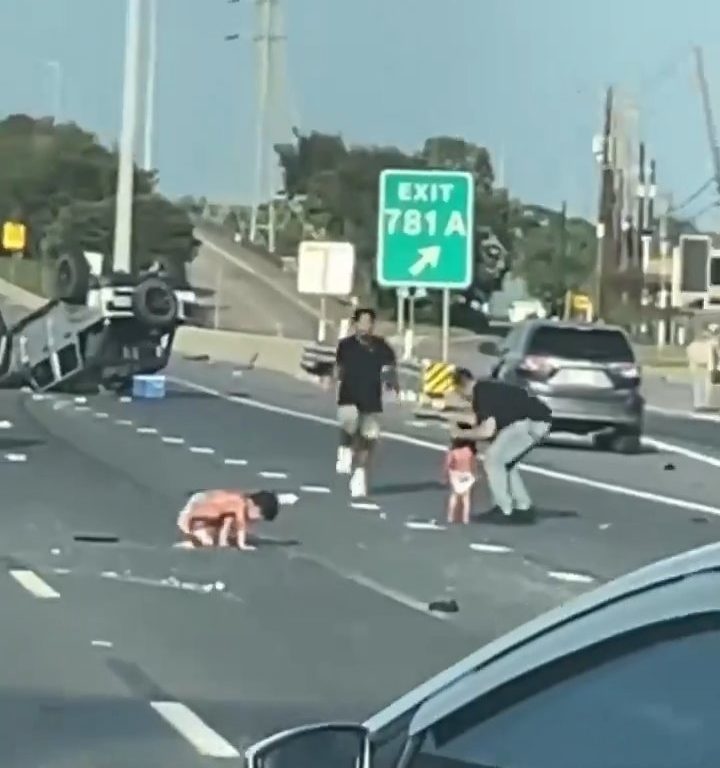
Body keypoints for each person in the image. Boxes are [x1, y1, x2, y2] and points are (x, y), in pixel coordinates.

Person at [452, 369, 551, 522]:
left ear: (461, 386)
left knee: (493, 460)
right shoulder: (489, 388)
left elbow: (486, 431)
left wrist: (460, 434)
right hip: (539, 421)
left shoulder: (481, 393)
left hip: (527, 423)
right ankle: (523, 506)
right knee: (506, 463)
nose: (464, 399)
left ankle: (504, 508)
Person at [334, 307, 398, 498]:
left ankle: (359, 475)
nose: (365, 326)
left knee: (368, 439)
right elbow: (339, 367)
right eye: (362, 322)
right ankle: (344, 448)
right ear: (355, 324)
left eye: (369, 322)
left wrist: (391, 385)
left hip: (371, 398)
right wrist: (330, 381)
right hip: (348, 397)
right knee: (350, 422)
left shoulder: (382, 346)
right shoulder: (346, 345)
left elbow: (389, 368)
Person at [176, 489, 279, 550]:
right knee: (207, 542)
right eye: (259, 516)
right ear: (254, 507)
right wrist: (224, 544)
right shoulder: (237, 505)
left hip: (202, 508)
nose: (257, 521)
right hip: (195, 516)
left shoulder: (240, 503)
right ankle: (187, 545)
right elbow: (227, 523)